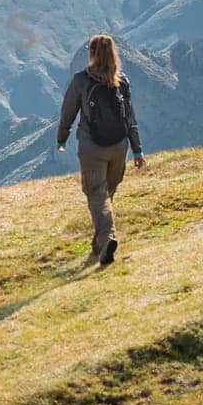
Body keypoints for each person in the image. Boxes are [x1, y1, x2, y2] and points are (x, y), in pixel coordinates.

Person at [56, 34, 145, 265]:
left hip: (91, 148)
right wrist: (137, 150)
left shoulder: (81, 81)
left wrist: (62, 139)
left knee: (97, 195)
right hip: (119, 147)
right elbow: (130, 118)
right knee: (106, 196)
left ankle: (107, 240)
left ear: (91, 54)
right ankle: (100, 245)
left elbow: (68, 113)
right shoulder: (121, 81)